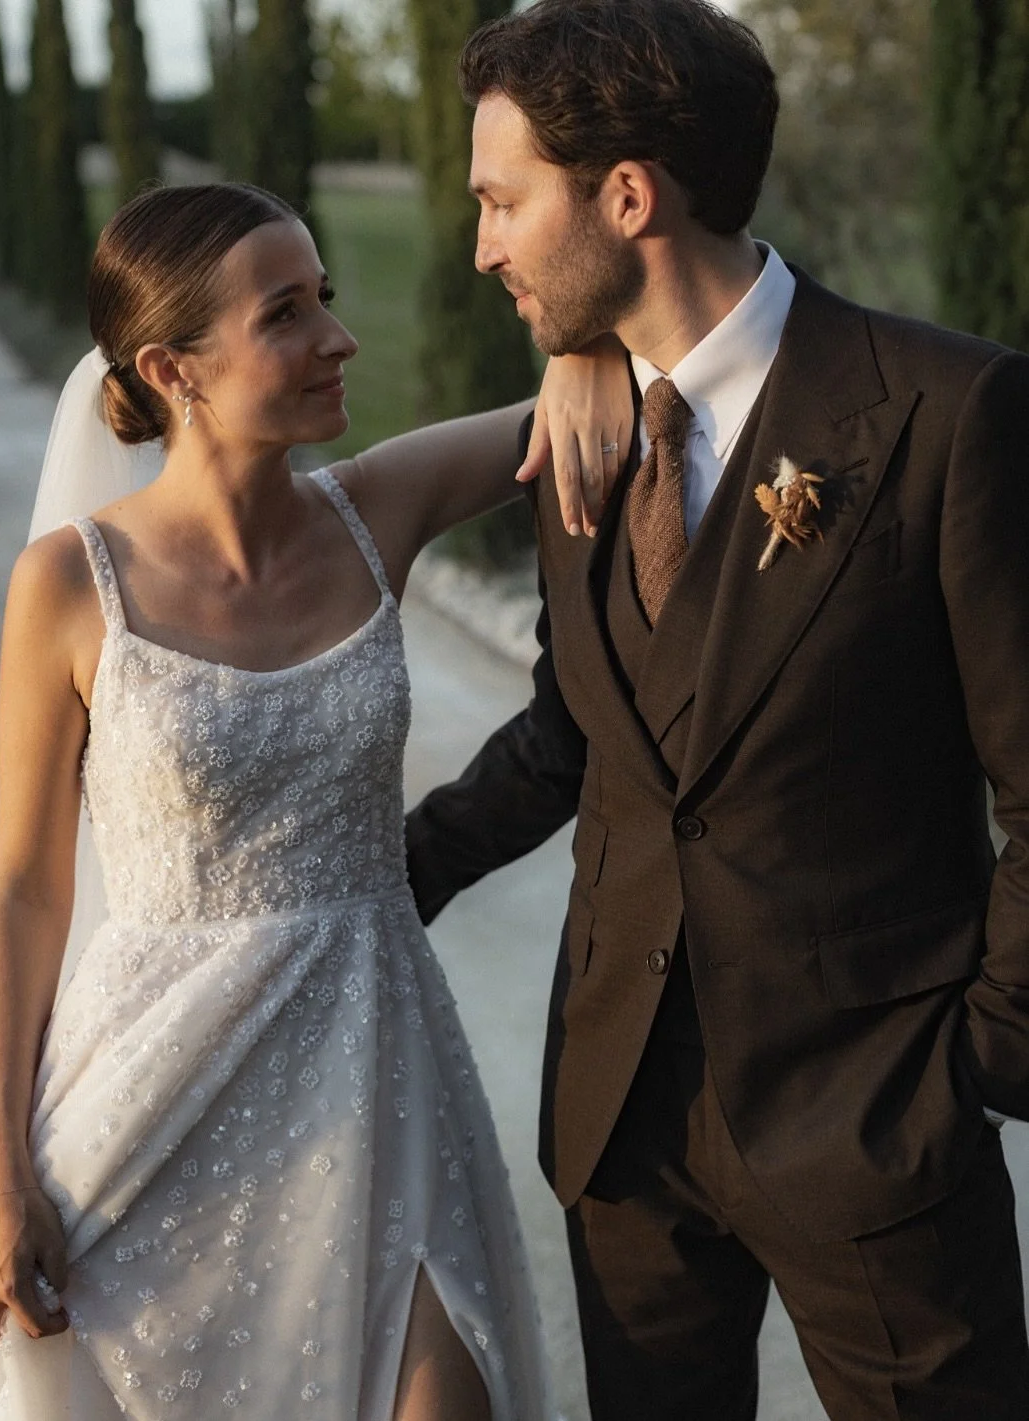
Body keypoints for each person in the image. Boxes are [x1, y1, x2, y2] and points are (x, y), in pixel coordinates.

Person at [405, 1, 1029, 1417]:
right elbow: (579, 727)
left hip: (871, 1129)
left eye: (502, 202)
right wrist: (387, 874)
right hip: (623, 1126)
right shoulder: (586, 412)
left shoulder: (945, 411)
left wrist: (970, 1063)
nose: (483, 245)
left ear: (626, 197)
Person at [0, 181, 621, 1420]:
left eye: (325, 296)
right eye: (287, 313)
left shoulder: (377, 509)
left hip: (378, 1071)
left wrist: (582, 360)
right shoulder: (69, 581)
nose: (338, 336)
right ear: (174, 368)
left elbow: (615, 396)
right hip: (145, 1109)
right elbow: (22, 889)